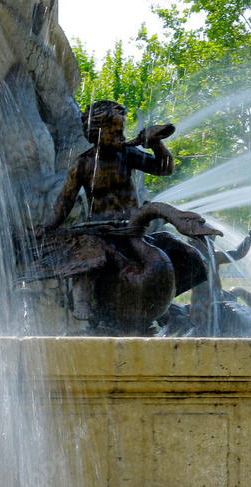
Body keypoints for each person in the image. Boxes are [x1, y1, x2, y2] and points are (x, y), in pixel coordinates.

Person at [36, 100, 203, 323]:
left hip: (134, 229)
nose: (121, 137)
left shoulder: (128, 155)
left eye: (122, 132)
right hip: (100, 231)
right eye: (114, 132)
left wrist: (156, 144)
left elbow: (164, 168)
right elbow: (65, 201)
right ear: (96, 132)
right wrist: (48, 226)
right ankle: (82, 300)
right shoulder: (83, 164)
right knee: (89, 257)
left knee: (189, 255)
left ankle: (163, 298)